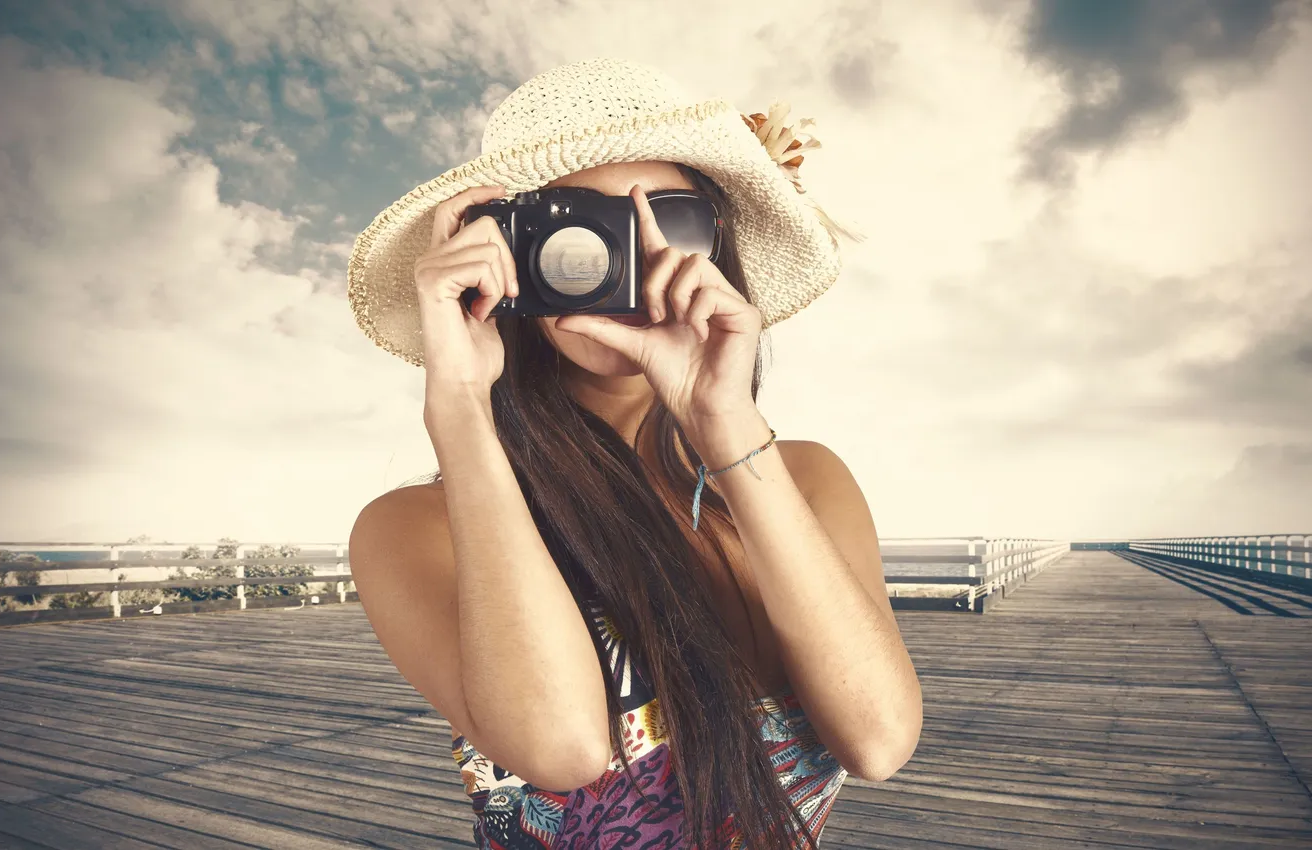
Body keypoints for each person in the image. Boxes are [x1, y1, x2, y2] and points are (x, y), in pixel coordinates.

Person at [346, 57, 921, 850]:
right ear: (505, 257)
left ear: (716, 250)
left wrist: (724, 421)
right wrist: (461, 406)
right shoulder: (417, 526)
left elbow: (880, 738)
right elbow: (563, 748)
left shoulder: (807, 480)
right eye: (575, 229)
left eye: (673, 221)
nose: (623, 261)